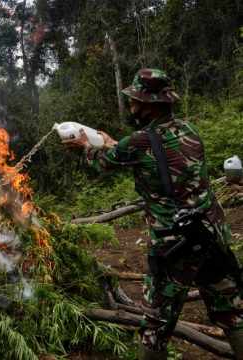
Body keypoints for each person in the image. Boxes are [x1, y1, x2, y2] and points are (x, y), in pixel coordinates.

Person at [62, 69, 243, 359]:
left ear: (148, 104)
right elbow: (146, 151)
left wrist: (86, 146)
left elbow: (104, 161)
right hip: (210, 234)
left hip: (175, 245)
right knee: (231, 312)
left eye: (134, 101)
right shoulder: (189, 130)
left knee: (155, 326)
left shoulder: (138, 142)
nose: (132, 107)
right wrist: (111, 142)